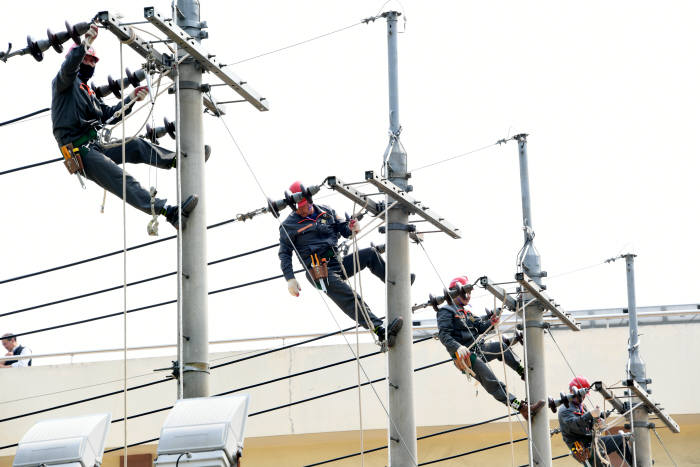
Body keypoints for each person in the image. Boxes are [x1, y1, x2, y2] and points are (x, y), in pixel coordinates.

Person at [51, 23, 199, 230]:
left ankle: (177, 161)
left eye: (92, 61)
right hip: (79, 152)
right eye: (86, 59)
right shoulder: (63, 84)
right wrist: (84, 44)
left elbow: (108, 116)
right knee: (121, 179)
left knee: (137, 144)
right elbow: (68, 68)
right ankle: (168, 212)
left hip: (95, 146)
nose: (89, 63)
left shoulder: (89, 92)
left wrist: (130, 99)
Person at [278, 181, 404, 348]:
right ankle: (380, 330)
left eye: (305, 205)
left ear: (310, 199)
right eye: (299, 207)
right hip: (318, 271)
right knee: (349, 296)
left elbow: (343, 230)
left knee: (371, 255)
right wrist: (290, 278)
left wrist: (351, 227)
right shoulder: (288, 226)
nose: (304, 209)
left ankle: (400, 282)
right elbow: (284, 253)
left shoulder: (327, 211)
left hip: (337, 262)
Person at [436, 275, 544, 420]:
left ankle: (522, 373)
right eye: (465, 293)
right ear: (455, 292)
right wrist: (457, 347)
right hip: (466, 357)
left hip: (479, 349)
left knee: (502, 347)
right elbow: (444, 335)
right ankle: (522, 408)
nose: (468, 296)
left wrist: (492, 322)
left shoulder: (466, 312)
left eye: (469, 293)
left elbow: (481, 327)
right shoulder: (446, 311)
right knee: (492, 382)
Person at [558, 376, 634, 465]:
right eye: (581, 395)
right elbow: (574, 425)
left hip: (593, 443)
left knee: (621, 440)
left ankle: (636, 464)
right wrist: (590, 415)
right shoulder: (565, 409)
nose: (583, 398)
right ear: (572, 391)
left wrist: (599, 416)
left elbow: (587, 423)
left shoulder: (581, 406)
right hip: (584, 449)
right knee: (607, 460)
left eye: (584, 395)